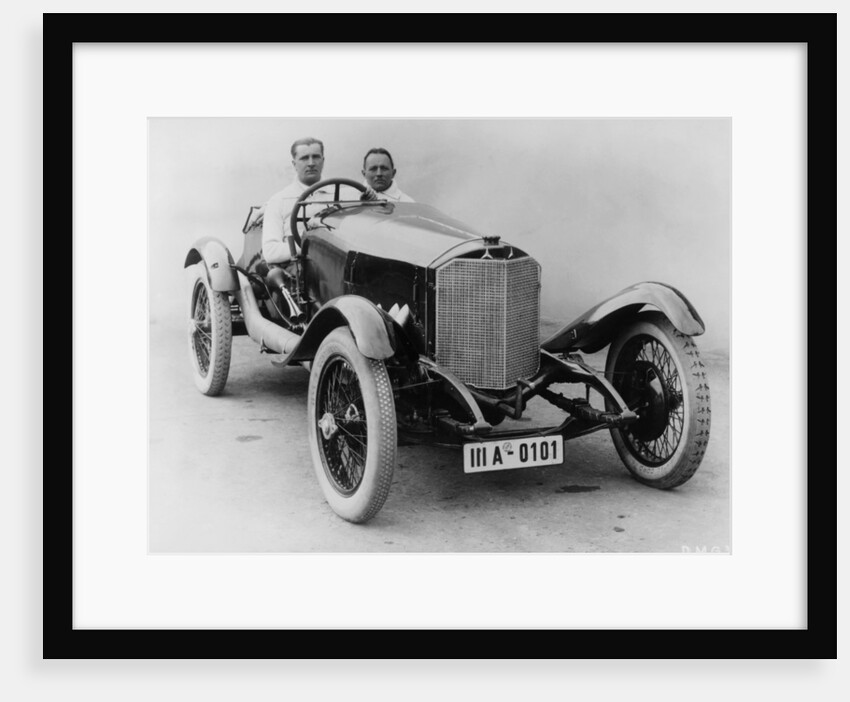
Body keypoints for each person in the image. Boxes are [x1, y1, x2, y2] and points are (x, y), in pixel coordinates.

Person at [262, 137, 336, 265]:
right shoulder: (278, 201)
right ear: (294, 164)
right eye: (304, 158)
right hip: (300, 271)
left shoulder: (343, 195)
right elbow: (270, 252)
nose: (311, 163)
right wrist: (313, 243)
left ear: (323, 161)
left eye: (316, 157)